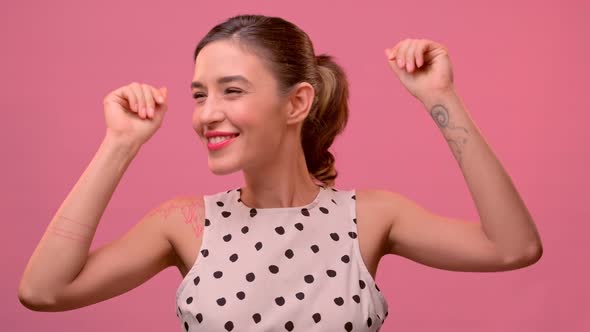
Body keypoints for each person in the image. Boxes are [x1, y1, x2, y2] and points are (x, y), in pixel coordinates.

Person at [18, 14, 543, 332]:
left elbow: (513, 247)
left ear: (297, 103)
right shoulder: (182, 223)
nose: (206, 114)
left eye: (232, 90)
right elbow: (44, 291)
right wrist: (119, 144)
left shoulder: (371, 217)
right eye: (200, 94)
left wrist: (440, 99)